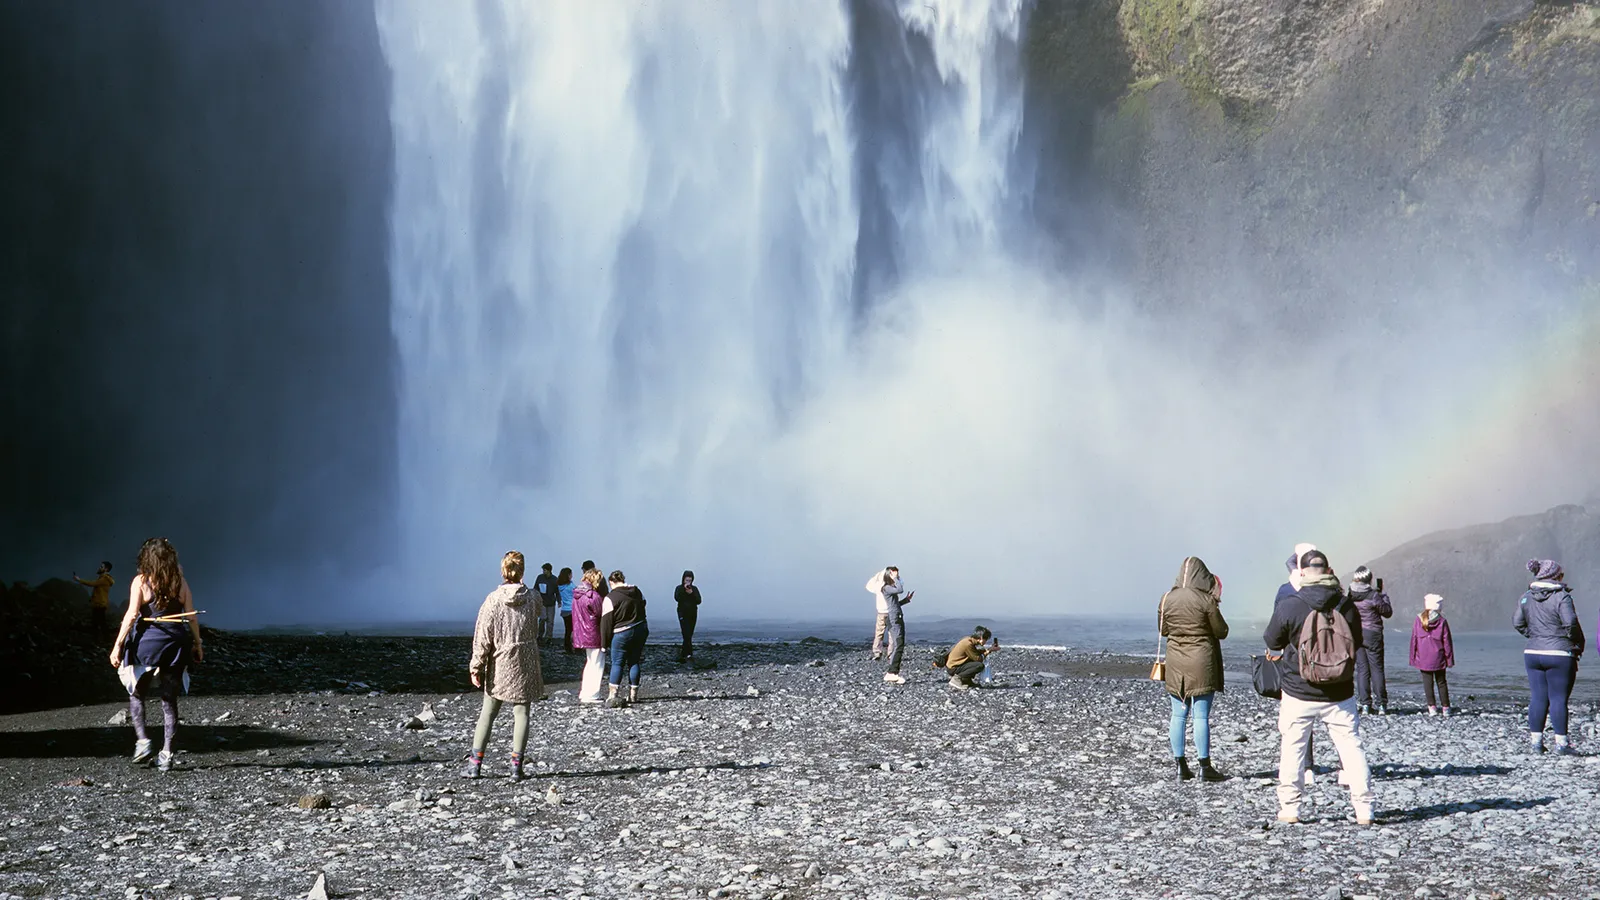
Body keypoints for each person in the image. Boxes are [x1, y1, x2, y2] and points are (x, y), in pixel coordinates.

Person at [1263, 549, 1373, 826]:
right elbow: (1357, 642)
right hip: (1340, 693)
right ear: (1328, 570)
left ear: (1301, 572)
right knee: (1351, 748)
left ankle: (1290, 809)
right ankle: (1365, 810)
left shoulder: (1290, 604)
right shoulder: (1346, 605)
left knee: (1293, 748)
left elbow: (1272, 640)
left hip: (1298, 691)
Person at [107, 538, 203, 773]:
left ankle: (143, 742)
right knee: (169, 700)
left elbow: (130, 616)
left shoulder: (140, 581)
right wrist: (198, 644)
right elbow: (190, 616)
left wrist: (117, 646)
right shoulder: (179, 581)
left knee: (137, 693)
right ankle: (167, 754)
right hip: (175, 644)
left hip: (147, 644)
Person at [464, 551, 543, 780]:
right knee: (522, 712)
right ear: (523, 571)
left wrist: (476, 667)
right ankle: (516, 768)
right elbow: (538, 613)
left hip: (500, 661)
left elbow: (483, 637)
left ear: (502, 571)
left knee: (488, 713)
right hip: (525, 659)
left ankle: (474, 766)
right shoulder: (533, 597)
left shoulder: (493, 600)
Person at [1160, 556, 1229, 782]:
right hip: (1202, 661)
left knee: (1177, 715)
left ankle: (1180, 766)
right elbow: (1221, 631)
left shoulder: (1166, 598)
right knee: (1200, 716)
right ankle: (1204, 766)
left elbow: (1163, 630)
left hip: (1176, 661)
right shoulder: (1206, 601)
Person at [1515, 559, 1582, 754]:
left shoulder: (1526, 596)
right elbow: (1570, 622)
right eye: (1561, 575)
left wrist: (1534, 636)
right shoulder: (1562, 596)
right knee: (1558, 698)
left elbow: (1517, 622)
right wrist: (1572, 641)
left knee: (1537, 697)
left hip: (1533, 652)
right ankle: (1562, 744)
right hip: (1559, 653)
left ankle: (1536, 743)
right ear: (1555, 576)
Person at [1348, 566, 1393, 715]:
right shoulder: (1373, 595)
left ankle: (1365, 704)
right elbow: (1387, 612)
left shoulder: (1350, 594)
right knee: (1377, 668)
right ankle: (1381, 704)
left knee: (1362, 670)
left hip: (1356, 633)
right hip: (1373, 633)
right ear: (1368, 579)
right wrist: (1383, 595)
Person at [601, 570, 648, 708]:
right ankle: (633, 694)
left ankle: (613, 695)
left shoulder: (610, 598)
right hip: (640, 629)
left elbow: (606, 622)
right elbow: (643, 604)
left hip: (622, 633)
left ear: (611, 583)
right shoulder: (637, 591)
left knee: (617, 662)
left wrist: (604, 644)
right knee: (634, 661)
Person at [1409, 593, 1455, 716]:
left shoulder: (1418, 620)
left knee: (1427, 683)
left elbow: (1414, 639)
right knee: (1441, 682)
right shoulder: (1442, 621)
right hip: (1439, 658)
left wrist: (1413, 658)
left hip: (1423, 658)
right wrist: (1449, 660)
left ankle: (1432, 708)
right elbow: (1447, 643)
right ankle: (1446, 707)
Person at [868, 566, 913, 684]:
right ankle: (891, 673)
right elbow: (900, 589)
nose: (897, 577)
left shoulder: (889, 588)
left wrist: (906, 600)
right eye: (894, 575)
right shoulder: (886, 588)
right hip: (893, 618)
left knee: (898, 644)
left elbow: (895, 604)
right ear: (889, 575)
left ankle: (893, 672)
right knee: (899, 644)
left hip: (895, 616)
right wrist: (895, 578)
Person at [571, 568, 607, 704]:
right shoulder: (593, 596)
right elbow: (601, 613)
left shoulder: (577, 594)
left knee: (589, 662)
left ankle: (585, 691)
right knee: (597, 663)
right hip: (594, 633)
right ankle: (592, 694)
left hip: (581, 633)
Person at [944, 625, 998, 690]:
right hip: (953, 668)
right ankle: (956, 679)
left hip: (953, 665)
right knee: (979, 665)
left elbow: (974, 653)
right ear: (981, 638)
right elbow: (978, 659)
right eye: (985, 639)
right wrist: (989, 650)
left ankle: (967, 680)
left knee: (974, 662)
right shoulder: (968, 644)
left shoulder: (968, 640)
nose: (985, 641)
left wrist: (988, 650)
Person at [74, 561, 114, 635]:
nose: (99, 568)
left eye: (102, 567)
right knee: (97, 623)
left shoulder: (104, 579)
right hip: (99, 604)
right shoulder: (103, 578)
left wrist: (79, 580)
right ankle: (100, 639)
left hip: (100, 604)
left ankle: (105, 639)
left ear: (106, 569)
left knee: (100, 623)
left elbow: (92, 583)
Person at [675, 570, 702, 664]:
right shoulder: (679, 588)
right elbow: (677, 598)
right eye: (686, 580)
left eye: (690, 581)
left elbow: (699, 600)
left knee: (689, 633)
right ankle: (689, 654)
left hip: (693, 613)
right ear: (683, 580)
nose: (688, 582)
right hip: (683, 613)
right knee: (685, 633)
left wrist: (691, 593)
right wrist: (684, 590)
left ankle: (684, 653)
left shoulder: (694, 589)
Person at [533, 563, 558, 642]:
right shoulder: (540, 578)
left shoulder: (554, 579)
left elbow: (557, 592)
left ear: (549, 570)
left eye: (545, 570)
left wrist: (559, 601)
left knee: (550, 621)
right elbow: (536, 588)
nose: (543, 572)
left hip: (551, 602)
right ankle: (540, 635)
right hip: (542, 602)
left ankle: (549, 637)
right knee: (542, 619)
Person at [557, 567, 575, 655]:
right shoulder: (570, 586)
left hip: (564, 610)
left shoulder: (560, 586)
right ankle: (575, 647)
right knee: (574, 630)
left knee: (568, 630)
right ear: (568, 575)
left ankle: (567, 647)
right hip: (571, 610)